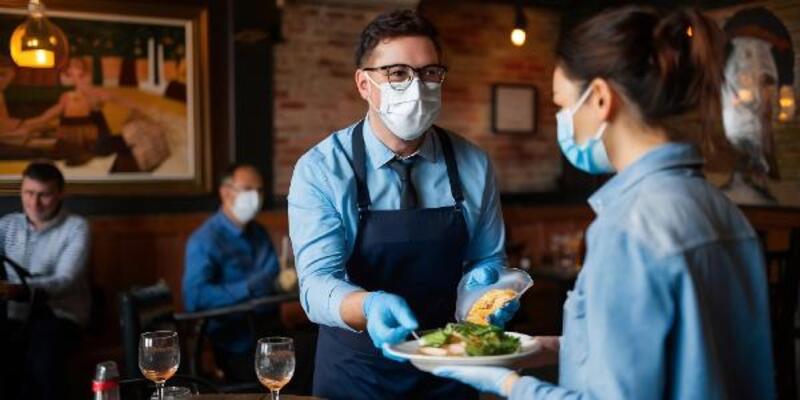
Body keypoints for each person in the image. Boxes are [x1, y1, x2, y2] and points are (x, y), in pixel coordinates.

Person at [433, 5, 775, 399]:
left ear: (599, 99)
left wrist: (507, 384)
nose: (562, 119)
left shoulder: (628, 228)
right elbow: (681, 355)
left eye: (561, 106)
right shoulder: (725, 211)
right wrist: (549, 349)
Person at [288, 9, 518, 400]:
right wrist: (369, 305)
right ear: (364, 84)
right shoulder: (323, 169)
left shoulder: (473, 164)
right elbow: (315, 286)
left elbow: (487, 259)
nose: (417, 86)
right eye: (398, 74)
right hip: (357, 373)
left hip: (452, 366)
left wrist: (488, 289)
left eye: (430, 73)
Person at [182, 164, 282, 382]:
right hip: (236, 346)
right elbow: (195, 298)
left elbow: (274, 277)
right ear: (226, 192)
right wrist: (248, 288)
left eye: (260, 190)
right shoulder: (205, 240)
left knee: (325, 347)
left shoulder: (259, 233)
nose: (255, 197)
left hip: (273, 333)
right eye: (248, 189)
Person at [0, 161, 91, 400]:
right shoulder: (7, 225)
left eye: (44, 195)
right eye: (28, 193)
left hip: (60, 315)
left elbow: (65, 280)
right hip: (13, 316)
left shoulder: (75, 228)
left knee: (41, 358)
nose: (34, 203)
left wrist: (17, 290)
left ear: (60, 194)